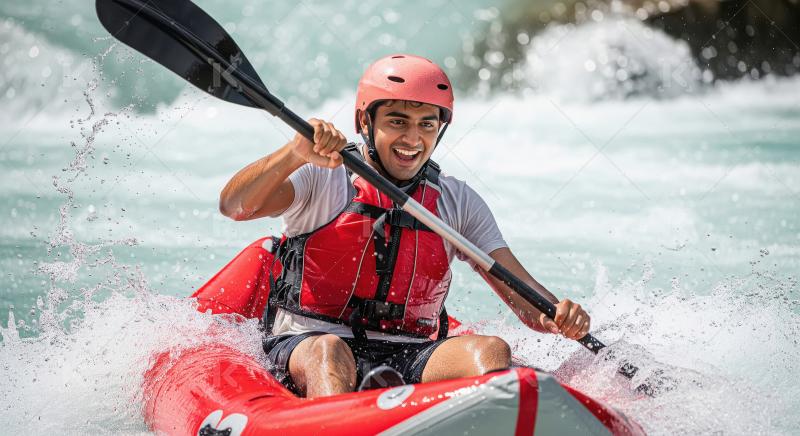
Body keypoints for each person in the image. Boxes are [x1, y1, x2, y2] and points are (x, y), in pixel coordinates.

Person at [219, 54, 591, 398]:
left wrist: (556, 314)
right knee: (330, 353)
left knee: (491, 351)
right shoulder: (323, 177)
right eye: (397, 121)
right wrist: (293, 155)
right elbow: (234, 206)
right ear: (365, 121)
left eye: (426, 124)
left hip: (410, 352)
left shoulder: (456, 202)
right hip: (310, 340)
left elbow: (524, 298)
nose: (413, 139)